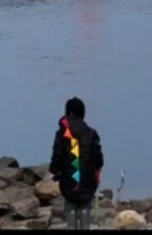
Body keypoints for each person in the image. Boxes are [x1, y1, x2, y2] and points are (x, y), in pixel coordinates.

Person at [49, 97, 104, 230]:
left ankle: (71, 225)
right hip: (87, 179)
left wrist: (54, 170)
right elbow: (99, 159)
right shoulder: (91, 133)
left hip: (68, 179)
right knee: (85, 203)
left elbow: (57, 156)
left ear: (67, 112)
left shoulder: (61, 133)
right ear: (82, 114)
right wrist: (97, 168)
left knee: (71, 203)